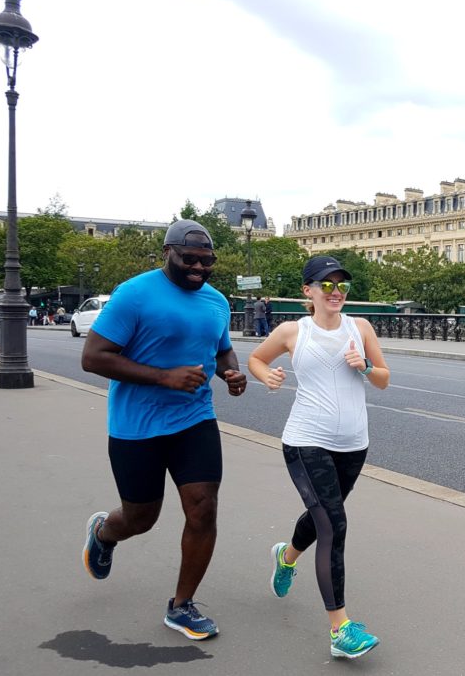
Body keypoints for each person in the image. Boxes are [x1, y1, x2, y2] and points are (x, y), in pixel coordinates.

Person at [80, 219, 247, 641]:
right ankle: (104, 533)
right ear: (167, 253)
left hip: (194, 419)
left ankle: (182, 606)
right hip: (136, 425)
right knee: (140, 518)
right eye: (189, 258)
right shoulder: (134, 294)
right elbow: (94, 357)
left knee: (203, 506)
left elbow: (222, 349)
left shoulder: (216, 302)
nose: (198, 267)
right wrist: (163, 377)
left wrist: (232, 373)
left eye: (207, 261)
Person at [247, 255, 389, 660]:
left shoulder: (360, 328)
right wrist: (266, 375)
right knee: (334, 525)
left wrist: (363, 367)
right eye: (327, 285)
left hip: (354, 444)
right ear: (308, 291)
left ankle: (286, 556)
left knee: (323, 516)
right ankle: (340, 628)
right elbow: (257, 358)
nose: (336, 291)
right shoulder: (293, 330)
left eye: (342, 284)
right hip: (306, 440)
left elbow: (383, 379)